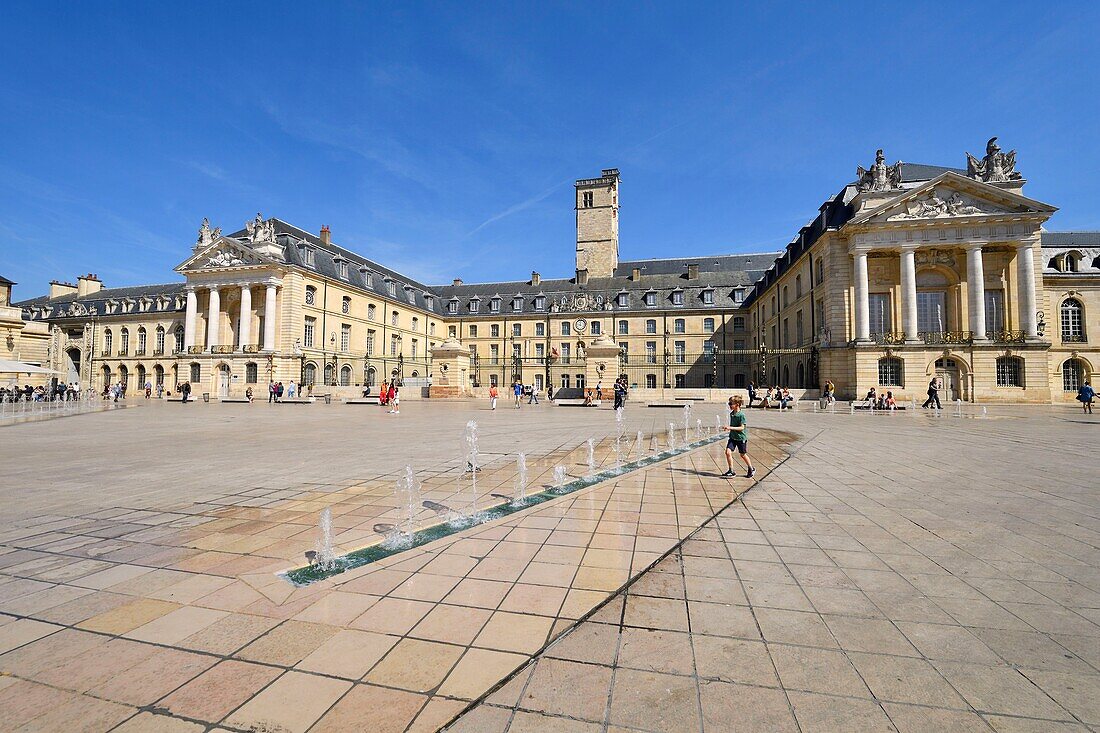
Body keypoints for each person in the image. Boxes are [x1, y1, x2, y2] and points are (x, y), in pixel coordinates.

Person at [720, 395, 756, 479]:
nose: (729, 405)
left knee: (742, 455)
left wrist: (730, 427)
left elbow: (742, 428)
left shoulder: (741, 415)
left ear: (737, 404)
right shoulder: (732, 414)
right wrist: (729, 429)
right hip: (733, 437)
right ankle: (731, 471)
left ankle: (751, 468)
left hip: (741, 438)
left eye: (730, 403)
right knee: (728, 452)